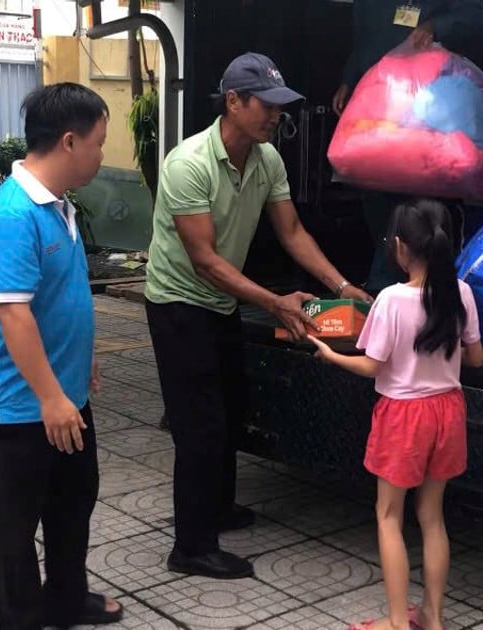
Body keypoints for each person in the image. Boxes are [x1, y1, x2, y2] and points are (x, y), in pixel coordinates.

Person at [145, 51, 374, 580]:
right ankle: (192, 545)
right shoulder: (188, 164)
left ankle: (218, 507)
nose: (275, 115)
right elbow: (204, 260)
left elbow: (292, 233)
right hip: (179, 303)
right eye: (266, 105)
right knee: (198, 425)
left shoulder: (267, 158)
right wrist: (274, 302)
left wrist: (340, 286)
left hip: (222, 302)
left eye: (280, 105)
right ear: (233, 102)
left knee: (230, 408)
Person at [0, 83, 123, 629]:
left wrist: (80, 362)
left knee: (72, 504)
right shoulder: (14, 215)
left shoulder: (59, 207)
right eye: (100, 143)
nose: (103, 154)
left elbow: (58, 299)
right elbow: (13, 315)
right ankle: (23, 617)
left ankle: (66, 598)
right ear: (70, 141)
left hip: (62, 393)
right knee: (13, 525)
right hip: (17, 405)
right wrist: (52, 398)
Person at [311, 198, 483, 630]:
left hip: (404, 415)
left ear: (401, 248)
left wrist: (330, 355)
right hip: (448, 411)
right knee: (432, 517)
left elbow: (372, 365)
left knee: (389, 516)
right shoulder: (461, 293)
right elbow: (476, 358)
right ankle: (433, 616)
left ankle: (395, 623)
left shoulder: (390, 299)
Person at [332, 0, 483, 294]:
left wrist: (434, 27)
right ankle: (393, 285)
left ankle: (396, 289)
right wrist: (348, 80)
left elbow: (476, 15)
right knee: (376, 201)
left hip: (428, 110)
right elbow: (362, 42)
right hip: (378, 108)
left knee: (420, 208)